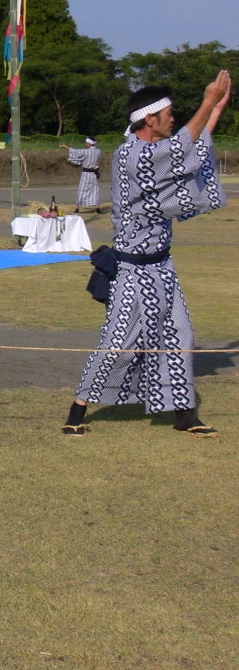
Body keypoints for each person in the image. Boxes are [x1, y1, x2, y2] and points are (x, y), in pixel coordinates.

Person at [63, 71, 230, 438]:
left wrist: (214, 109)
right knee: (120, 343)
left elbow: (188, 149)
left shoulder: (155, 152)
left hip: (162, 267)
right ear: (150, 119)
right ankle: (77, 410)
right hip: (132, 272)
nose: (174, 118)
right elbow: (178, 152)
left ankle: (184, 414)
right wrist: (206, 103)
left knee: (179, 334)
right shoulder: (130, 156)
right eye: (170, 112)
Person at [60, 137, 102, 213]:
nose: (86, 144)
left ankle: (77, 208)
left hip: (86, 174)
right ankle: (98, 208)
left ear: (89, 144)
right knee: (95, 190)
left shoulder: (86, 151)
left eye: (86, 143)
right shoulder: (98, 151)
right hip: (94, 173)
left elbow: (75, 152)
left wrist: (65, 146)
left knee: (82, 190)